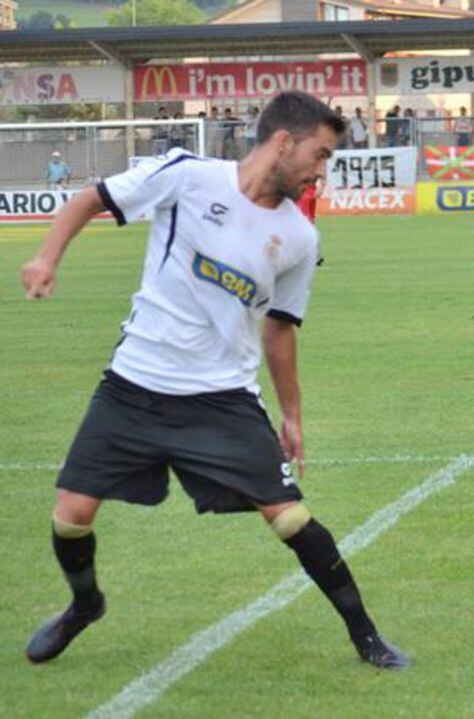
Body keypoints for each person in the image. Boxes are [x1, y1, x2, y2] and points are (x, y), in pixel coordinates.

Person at [19, 91, 411, 670]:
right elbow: (91, 199)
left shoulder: (300, 239)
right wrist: (47, 257)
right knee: (71, 514)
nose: (321, 170)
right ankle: (85, 604)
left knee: (290, 517)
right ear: (283, 141)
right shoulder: (188, 177)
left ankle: (366, 636)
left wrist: (293, 414)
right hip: (134, 385)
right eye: (320, 154)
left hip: (222, 399)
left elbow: (280, 331)